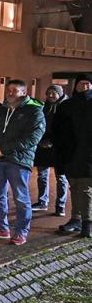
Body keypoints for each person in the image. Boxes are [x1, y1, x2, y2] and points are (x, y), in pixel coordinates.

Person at [0, 79, 45, 246]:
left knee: (21, 198)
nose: (10, 93)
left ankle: (21, 231)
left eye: (14, 90)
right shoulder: (0, 111)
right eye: (8, 90)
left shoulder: (34, 111)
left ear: (24, 92)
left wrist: (4, 149)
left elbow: (32, 138)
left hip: (19, 160)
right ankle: (1, 227)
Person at [53, 73, 92, 238]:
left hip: (88, 154)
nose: (84, 86)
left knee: (86, 188)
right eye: (81, 83)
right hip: (70, 154)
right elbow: (57, 128)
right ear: (76, 85)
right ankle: (76, 218)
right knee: (74, 186)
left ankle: (88, 222)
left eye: (88, 84)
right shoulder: (67, 105)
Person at [32, 85, 69, 216]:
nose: (51, 95)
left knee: (61, 177)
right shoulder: (43, 107)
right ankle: (42, 201)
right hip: (43, 145)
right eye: (49, 93)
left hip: (59, 146)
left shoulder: (66, 107)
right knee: (42, 175)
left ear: (60, 93)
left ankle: (60, 205)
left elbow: (66, 129)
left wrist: (53, 141)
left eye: (54, 93)